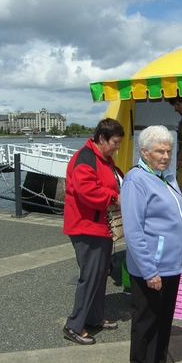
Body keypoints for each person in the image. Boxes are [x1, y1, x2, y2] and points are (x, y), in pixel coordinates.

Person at [121, 125, 182, 363]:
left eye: (169, 150)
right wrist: (149, 269)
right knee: (146, 321)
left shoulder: (166, 177)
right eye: (159, 151)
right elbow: (134, 230)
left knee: (164, 317)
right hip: (151, 267)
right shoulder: (135, 180)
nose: (165, 156)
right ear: (144, 152)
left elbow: (179, 217)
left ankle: (157, 359)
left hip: (172, 264)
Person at [62, 118, 124, 345]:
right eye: (115, 142)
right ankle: (74, 325)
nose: (117, 147)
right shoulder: (85, 158)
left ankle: (95, 318)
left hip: (99, 225)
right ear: (102, 138)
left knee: (98, 275)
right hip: (87, 226)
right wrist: (115, 198)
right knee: (90, 276)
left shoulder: (101, 158)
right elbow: (87, 191)